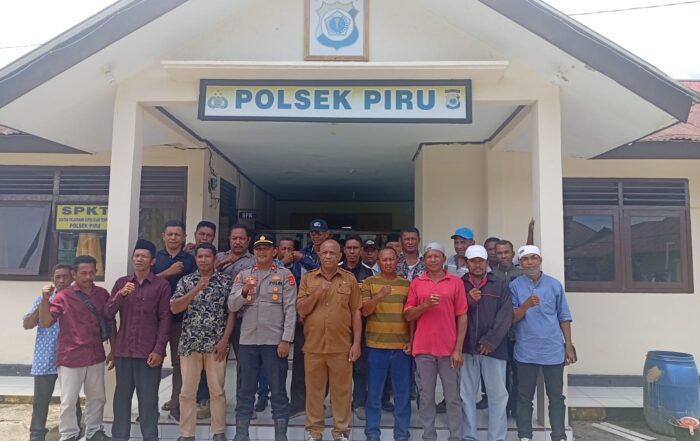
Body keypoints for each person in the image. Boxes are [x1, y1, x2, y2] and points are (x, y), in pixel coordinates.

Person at [39, 255, 114, 441]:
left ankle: (94, 432)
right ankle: (68, 435)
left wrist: (114, 349)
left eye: (91, 273)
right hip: (70, 356)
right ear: (74, 274)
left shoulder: (102, 294)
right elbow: (46, 322)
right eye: (83, 273)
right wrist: (45, 299)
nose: (88, 277)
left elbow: (109, 322)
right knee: (68, 400)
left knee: (97, 397)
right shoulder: (63, 296)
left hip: (95, 354)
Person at [229, 234, 297, 441]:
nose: (262, 252)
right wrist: (244, 290)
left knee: (278, 392)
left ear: (274, 251)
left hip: (274, 343)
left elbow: (290, 309)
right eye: (258, 248)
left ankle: (281, 436)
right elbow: (232, 305)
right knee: (245, 391)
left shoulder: (285, 275)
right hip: (248, 342)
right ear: (254, 251)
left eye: (266, 248)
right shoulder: (243, 275)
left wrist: (286, 339)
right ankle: (241, 435)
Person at [106, 239, 172, 441]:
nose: (139, 259)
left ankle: (150, 437)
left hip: (148, 352)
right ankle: (119, 437)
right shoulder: (122, 283)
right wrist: (120, 295)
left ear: (152, 261)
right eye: (136, 256)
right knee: (121, 399)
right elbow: (107, 313)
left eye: (144, 256)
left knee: (148, 400)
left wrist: (159, 349)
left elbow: (165, 319)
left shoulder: (161, 285)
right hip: (124, 350)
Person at [296, 240, 362, 441]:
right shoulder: (308, 278)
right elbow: (301, 310)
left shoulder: (349, 279)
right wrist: (317, 293)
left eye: (332, 253)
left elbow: (356, 312)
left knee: (342, 392)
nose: (327, 256)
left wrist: (356, 343)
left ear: (340, 256)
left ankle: (341, 432)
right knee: (314, 392)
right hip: (314, 346)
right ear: (319, 255)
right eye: (324, 252)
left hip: (341, 347)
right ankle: (314, 432)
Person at [171, 243, 235, 441]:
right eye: (200, 256)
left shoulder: (225, 281)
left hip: (216, 345)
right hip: (190, 344)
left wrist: (225, 340)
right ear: (196, 259)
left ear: (215, 259)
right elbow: (175, 308)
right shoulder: (186, 281)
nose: (204, 260)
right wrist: (196, 289)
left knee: (217, 391)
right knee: (187, 392)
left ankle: (218, 432)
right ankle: (187, 434)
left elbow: (232, 313)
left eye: (208, 256)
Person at [511, 245, 575, 441]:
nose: (530, 262)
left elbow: (564, 317)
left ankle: (559, 435)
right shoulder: (514, 286)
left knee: (556, 397)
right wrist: (525, 305)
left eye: (533, 258)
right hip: (526, 350)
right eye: (525, 259)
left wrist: (568, 345)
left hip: (553, 350)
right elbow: (512, 318)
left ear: (540, 260)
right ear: (520, 264)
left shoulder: (554, 285)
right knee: (524, 397)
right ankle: (524, 436)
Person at [404, 243, 467, 441]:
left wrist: (458, 349)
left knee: (452, 397)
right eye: (429, 256)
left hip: (449, 349)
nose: (432, 260)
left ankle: (456, 436)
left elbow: (462, 316)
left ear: (443, 259)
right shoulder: (417, 283)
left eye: (436, 256)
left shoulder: (455, 282)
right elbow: (408, 315)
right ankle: (428, 435)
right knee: (426, 397)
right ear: (424, 260)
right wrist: (425, 305)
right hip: (423, 349)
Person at [459, 245, 512, 441]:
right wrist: (468, 301)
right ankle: (469, 436)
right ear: (466, 263)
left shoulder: (499, 284)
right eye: (473, 261)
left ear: (487, 262)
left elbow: (505, 316)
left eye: (481, 261)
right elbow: (453, 313)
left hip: (494, 349)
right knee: (466, 395)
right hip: (467, 348)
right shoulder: (459, 284)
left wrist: (491, 340)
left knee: (497, 395)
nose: (477, 265)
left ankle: (497, 437)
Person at [23, 264, 81, 441]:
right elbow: (27, 324)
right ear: (52, 279)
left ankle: (75, 431)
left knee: (71, 399)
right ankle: (36, 433)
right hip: (45, 357)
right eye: (58, 277)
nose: (61, 281)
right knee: (40, 400)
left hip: (70, 357)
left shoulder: (77, 299)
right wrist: (44, 301)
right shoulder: (42, 299)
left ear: (72, 277)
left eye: (65, 276)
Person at [361, 247, 412, 441]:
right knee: (374, 394)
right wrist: (379, 296)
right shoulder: (370, 282)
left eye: (391, 259)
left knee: (402, 395)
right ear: (378, 262)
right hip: (376, 346)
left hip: (401, 348)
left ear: (397, 261)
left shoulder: (407, 284)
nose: (388, 263)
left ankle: (402, 434)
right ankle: (372, 434)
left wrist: (411, 340)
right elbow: (365, 311)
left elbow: (411, 316)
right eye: (384, 260)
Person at [153, 219, 197, 420]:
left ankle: (176, 404)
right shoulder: (154, 259)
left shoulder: (190, 260)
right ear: (163, 236)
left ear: (184, 237)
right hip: (156, 319)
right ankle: (149, 407)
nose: (173, 238)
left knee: (179, 363)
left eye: (177, 234)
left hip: (181, 319)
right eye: (169, 234)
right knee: (153, 361)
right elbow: (145, 282)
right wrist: (167, 273)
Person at [340, 236, 373, 420]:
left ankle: (359, 403)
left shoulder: (369, 274)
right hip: (339, 326)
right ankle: (340, 403)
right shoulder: (335, 270)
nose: (352, 251)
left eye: (355, 248)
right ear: (344, 250)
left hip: (363, 327)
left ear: (361, 251)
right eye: (349, 248)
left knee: (360, 368)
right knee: (339, 368)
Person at [490, 239, 524, 417]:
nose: (503, 256)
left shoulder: (522, 275)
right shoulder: (490, 276)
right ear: (494, 255)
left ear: (512, 254)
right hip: (499, 334)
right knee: (499, 374)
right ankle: (501, 410)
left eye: (506, 252)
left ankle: (516, 408)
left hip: (519, 333)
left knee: (518, 372)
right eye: (499, 253)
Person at [276, 237, 307, 418]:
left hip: (298, 318)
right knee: (277, 366)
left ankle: (298, 403)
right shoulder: (272, 265)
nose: (287, 252)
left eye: (290, 249)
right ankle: (278, 402)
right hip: (275, 322)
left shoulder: (300, 267)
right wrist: (281, 263)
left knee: (300, 363)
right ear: (277, 250)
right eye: (283, 248)